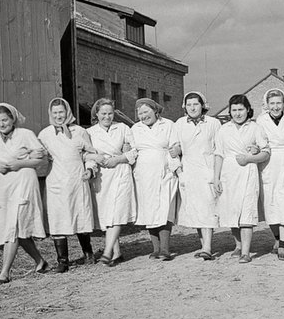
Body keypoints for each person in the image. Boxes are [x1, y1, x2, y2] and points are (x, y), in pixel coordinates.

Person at [0, 103, 48, 283]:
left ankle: (4, 273)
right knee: (18, 229)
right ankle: (40, 261)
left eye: (5, 120)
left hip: (24, 182)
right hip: (4, 186)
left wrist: (20, 164)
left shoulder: (26, 135)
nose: (2, 124)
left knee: (15, 225)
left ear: (13, 119)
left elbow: (40, 160)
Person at [39, 98, 97, 273]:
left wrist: (90, 169)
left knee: (80, 214)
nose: (58, 116)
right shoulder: (45, 135)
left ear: (68, 112)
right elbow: (39, 156)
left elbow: (90, 153)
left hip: (76, 180)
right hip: (56, 182)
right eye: (55, 113)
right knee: (58, 218)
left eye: (61, 112)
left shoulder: (79, 132)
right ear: (51, 114)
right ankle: (62, 261)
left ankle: (88, 253)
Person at [214, 94, 270, 263]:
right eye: (234, 110)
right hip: (228, 172)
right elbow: (218, 154)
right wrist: (216, 178)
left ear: (247, 110)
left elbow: (266, 153)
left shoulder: (255, 128)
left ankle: (246, 251)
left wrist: (249, 158)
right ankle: (238, 246)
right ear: (230, 112)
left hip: (247, 172)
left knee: (246, 210)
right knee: (232, 210)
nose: (238, 113)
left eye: (241, 110)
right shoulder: (224, 129)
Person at [87, 98, 137, 267]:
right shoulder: (91, 132)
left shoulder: (123, 128)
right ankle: (117, 252)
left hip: (121, 171)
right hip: (102, 176)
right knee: (107, 214)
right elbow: (88, 155)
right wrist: (93, 164)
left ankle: (107, 251)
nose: (107, 117)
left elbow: (135, 151)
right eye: (103, 114)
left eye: (110, 113)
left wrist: (120, 158)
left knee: (118, 212)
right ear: (97, 114)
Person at [174, 91, 221, 260]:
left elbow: (219, 150)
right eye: (189, 104)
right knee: (195, 210)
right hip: (189, 172)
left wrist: (215, 174)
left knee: (208, 209)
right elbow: (173, 150)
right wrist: (180, 173)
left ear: (203, 105)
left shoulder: (213, 123)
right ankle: (203, 246)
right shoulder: (179, 124)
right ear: (184, 107)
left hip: (206, 170)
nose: (192, 107)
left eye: (196, 104)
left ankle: (207, 247)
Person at [132, 98, 180, 260]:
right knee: (149, 211)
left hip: (165, 172)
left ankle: (165, 249)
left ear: (155, 111)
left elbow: (174, 147)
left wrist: (177, 167)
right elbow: (131, 151)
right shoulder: (135, 129)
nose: (143, 116)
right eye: (140, 113)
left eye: (146, 112)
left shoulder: (168, 125)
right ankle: (155, 248)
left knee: (165, 208)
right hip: (143, 175)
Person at [256, 88, 284, 261]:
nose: (275, 107)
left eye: (278, 103)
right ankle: (277, 238)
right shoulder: (261, 120)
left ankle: (283, 247)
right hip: (268, 163)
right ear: (267, 104)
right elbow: (259, 142)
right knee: (270, 202)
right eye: (272, 103)